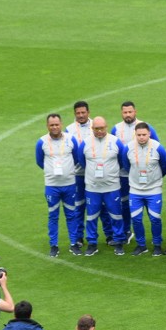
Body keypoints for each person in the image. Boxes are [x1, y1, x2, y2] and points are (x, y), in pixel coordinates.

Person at [78, 116, 128, 255]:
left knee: (116, 215)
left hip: (112, 187)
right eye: (96, 128)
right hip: (92, 188)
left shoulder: (115, 141)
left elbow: (122, 160)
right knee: (91, 217)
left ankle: (118, 242)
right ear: (92, 128)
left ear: (106, 127)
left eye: (102, 128)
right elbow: (81, 161)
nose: (99, 131)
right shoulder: (85, 143)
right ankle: (92, 243)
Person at [111, 101, 158, 242]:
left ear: (135, 112)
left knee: (148, 205)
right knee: (124, 203)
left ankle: (154, 237)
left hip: (145, 176)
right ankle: (126, 231)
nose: (128, 115)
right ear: (121, 113)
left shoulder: (145, 127)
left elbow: (157, 147)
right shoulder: (116, 129)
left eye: (130, 112)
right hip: (124, 174)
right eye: (125, 112)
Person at [35, 113, 81, 257]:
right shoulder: (41, 142)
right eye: (51, 125)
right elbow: (39, 161)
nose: (54, 127)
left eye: (56, 124)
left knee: (71, 215)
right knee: (53, 216)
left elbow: (76, 158)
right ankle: (53, 245)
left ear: (61, 124)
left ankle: (74, 244)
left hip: (69, 184)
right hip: (52, 186)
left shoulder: (70, 139)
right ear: (47, 126)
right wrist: (51, 172)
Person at [120, 122, 166, 256]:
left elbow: (165, 166)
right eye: (139, 135)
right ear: (135, 135)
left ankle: (157, 244)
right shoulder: (128, 148)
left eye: (144, 135)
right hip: (135, 190)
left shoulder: (158, 148)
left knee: (155, 219)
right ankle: (141, 245)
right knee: (136, 219)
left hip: (154, 190)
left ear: (149, 134)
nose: (141, 137)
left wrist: (155, 179)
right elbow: (126, 165)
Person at [64, 100, 94, 245]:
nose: (81, 115)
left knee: (99, 205)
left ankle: (109, 236)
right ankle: (78, 237)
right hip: (77, 174)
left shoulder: (97, 125)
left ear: (88, 112)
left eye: (83, 112)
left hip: (95, 173)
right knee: (79, 206)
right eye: (78, 113)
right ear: (74, 114)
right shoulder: (69, 130)